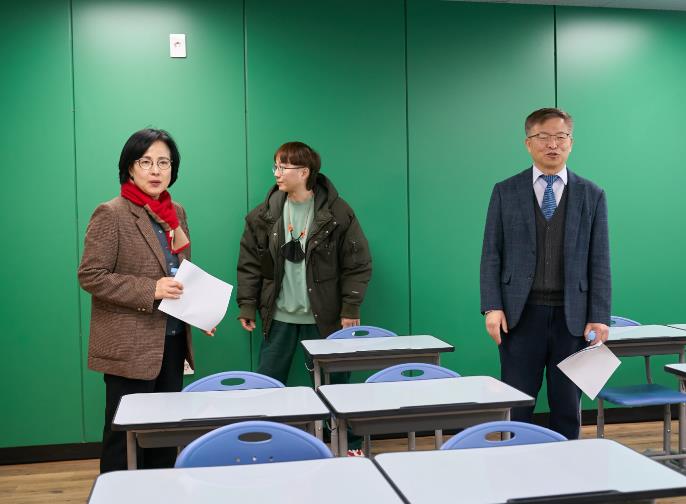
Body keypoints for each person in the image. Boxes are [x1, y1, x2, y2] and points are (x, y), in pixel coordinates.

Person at [78, 128, 210, 473]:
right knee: (124, 439)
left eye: (164, 162)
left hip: (173, 342)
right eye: (146, 161)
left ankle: (161, 492)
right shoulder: (111, 213)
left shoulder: (176, 212)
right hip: (129, 347)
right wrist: (151, 289)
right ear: (130, 168)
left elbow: (178, 273)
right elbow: (91, 276)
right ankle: (117, 493)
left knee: (165, 435)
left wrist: (201, 312)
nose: (155, 170)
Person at [479, 108, 611, 440]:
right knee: (517, 401)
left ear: (571, 142)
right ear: (528, 143)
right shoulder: (505, 191)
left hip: (573, 319)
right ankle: (515, 463)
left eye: (560, 136)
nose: (553, 144)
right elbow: (491, 253)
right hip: (519, 316)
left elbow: (599, 259)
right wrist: (492, 306)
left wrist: (599, 315)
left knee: (566, 404)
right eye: (543, 137)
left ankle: (566, 466)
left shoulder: (592, 194)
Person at [236, 141, 372, 385]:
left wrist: (351, 307)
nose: (276, 174)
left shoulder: (338, 213)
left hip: (324, 317)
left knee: (333, 385)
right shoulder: (263, 215)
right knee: (267, 384)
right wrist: (247, 305)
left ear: (304, 172)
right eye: (275, 167)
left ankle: (334, 414)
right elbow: (250, 264)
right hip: (277, 317)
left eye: (283, 167)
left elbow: (357, 264)